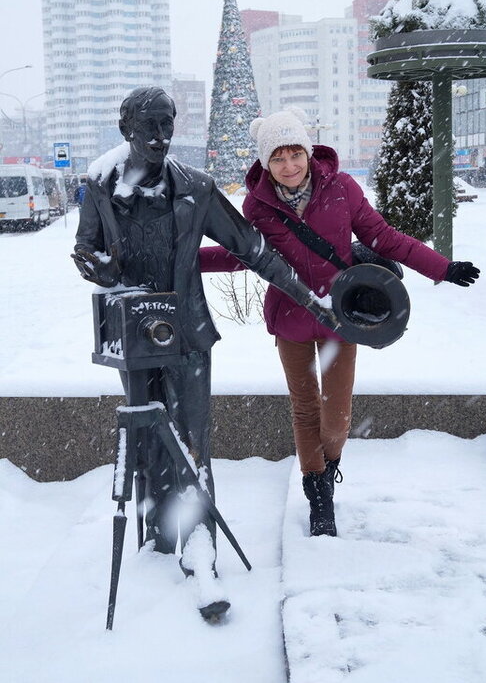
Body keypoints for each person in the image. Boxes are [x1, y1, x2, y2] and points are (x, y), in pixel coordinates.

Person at [70, 88, 340, 617]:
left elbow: (252, 248)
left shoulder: (195, 187)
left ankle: (200, 554)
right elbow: (87, 246)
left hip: (188, 334)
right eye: (149, 125)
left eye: (167, 124)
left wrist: (311, 298)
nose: (160, 136)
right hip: (133, 334)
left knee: (194, 441)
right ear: (126, 128)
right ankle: (158, 537)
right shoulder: (101, 183)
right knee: (147, 439)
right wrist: (95, 266)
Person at [199, 107, 480, 539]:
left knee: (336, 417)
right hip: (291, 319)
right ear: (266, 163)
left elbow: (385, 238)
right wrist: (185, 261)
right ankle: (318, 494)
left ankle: (328, 467)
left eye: (295, 154)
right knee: (304, 408)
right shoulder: (257, 205)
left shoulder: (341, 188)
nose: (289, 166)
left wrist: (443, 268)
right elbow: (241, 255)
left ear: (308, 153)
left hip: (339, 319)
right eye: (278, 158)